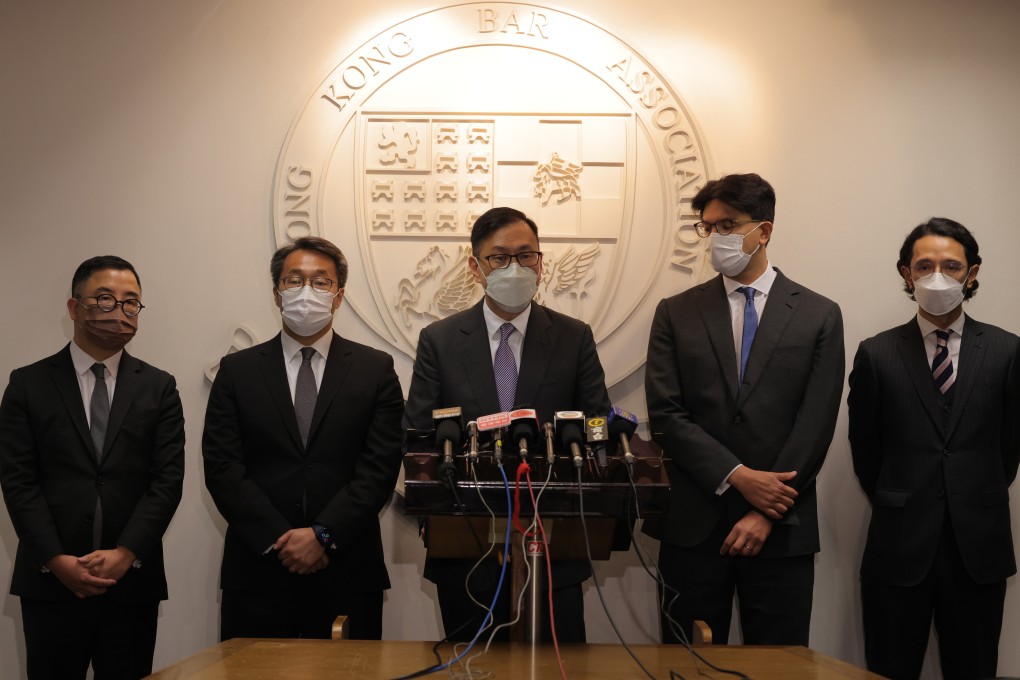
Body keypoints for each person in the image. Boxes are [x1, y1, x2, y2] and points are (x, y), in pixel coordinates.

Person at [644, 173, 844, 646]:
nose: (716, 238)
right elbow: (667, 416)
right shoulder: (676, 312)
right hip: (694, 525)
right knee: (685, 663)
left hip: (781, 528)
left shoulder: (819, 314)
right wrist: (737, 475)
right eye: (708, 227)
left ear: (764, 231)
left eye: (728, 225)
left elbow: (815, 422)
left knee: (780, 666)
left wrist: (766, 509)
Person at [403, 206, 611, 643]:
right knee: (469, 666)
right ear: (475, 267)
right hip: (465, 540)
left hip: (555, 542)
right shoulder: (439, 340)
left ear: (542, 262)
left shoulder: (574, 337)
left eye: (526, 255)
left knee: (561, 667)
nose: (514, 267)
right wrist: (432, 510)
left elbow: (597, 422)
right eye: (499, 257)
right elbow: (419, 433)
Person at [203, 236, 404, 641]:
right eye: (294, 281)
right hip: (259, 569)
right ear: (277, 294)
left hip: (347, 568)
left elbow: (378, 468)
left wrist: (324, 536)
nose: (306, 292)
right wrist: (281, 540)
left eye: (321, 281)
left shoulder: (375, 369)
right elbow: (223, 467)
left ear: (339, 295)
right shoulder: (237, 370)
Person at [848, 217, 1020, 680]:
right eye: (924, 266)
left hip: (978, 550)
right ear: (906, 273)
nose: (937, 276)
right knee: (888, 669)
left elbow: (1009, 450)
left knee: (975, 669)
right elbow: (866, 451)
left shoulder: (1008, 352)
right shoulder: (876, 354)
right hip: (898, 548)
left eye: (950, 265)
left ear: (973, 272)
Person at [0, 256, 185, 679]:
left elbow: (167, 480)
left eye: (130, 303)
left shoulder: (159, 387)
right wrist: (55, 559)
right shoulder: (28, 384)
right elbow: (18, 481)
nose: (118, 313)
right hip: (51, 583)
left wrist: (126, 553)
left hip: (131, 583)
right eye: (104, 299)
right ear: (74, 308)